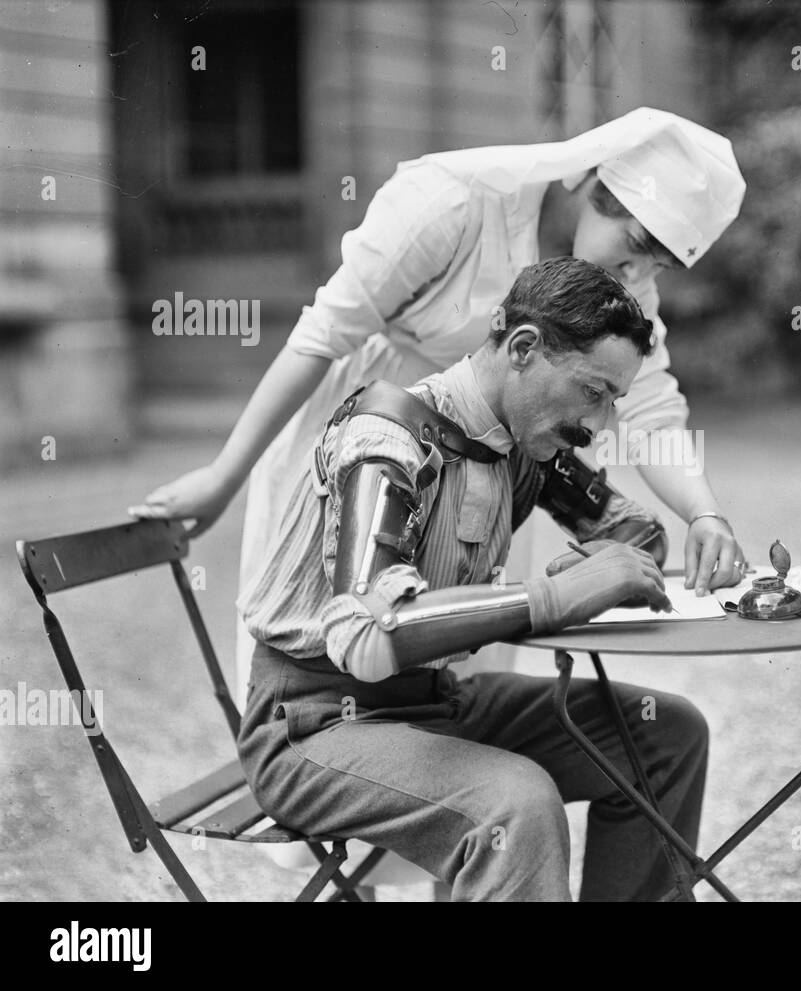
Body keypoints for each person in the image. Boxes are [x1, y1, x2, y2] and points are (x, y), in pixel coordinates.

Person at [129, 107, 750, 711]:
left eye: (658, 265)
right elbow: (320, 337)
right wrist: (222, 477)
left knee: (458, 669)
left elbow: (650, 409)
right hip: (374, 436)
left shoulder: (626, 289)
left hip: (487, 463)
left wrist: (705, 514)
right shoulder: (453, 202)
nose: (637, 272)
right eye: (635, 244)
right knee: (338, 639)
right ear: (590, 180)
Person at [237, 257, 708, 901]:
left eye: (612, 402)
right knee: (515, 808)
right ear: (523, 348)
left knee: (664, 736)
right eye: (592, 392)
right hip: (315, 726)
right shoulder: (389, 441)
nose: (598, 427)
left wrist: (635, 547)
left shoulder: (523, 444)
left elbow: (633, 532)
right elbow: (367, 637)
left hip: (435, 701)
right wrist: (554, 597)